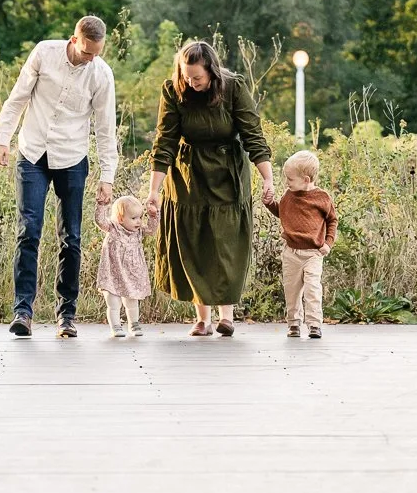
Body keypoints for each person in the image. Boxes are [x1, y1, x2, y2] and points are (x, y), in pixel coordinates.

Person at [0, 14, 117, 340]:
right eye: (88, 51)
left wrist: (107, 176)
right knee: (28, 230)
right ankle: (23, 311)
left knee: (71, 237)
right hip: (33, 152)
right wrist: (3, 139)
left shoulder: (101, 75)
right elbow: (18, 97)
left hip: (72, 158)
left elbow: (106, 129)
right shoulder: (44, 53)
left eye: (97, 53)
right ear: (74, 39)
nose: (92, 58)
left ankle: (67, 315)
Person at [146, 39, 275, 337]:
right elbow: (164, 142)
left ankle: (226, 315)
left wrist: (267, 178)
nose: (191, 83)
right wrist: (154, 190)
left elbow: (253, 136)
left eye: (198, 78)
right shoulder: (174, 90)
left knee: (224, 243)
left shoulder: (233, 88)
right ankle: (202, 318)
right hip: (189, 176)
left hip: (227, 173)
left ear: (212, 72)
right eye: (187, 76)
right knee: (194, 241)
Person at [264, 148, 338, 339]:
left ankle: (314, 324)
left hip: (313, 253)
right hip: (291, 253)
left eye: (290, 179)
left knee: (313, 289)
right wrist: (270, 203)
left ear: (306, 179)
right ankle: (294, 323)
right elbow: (283, 213)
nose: (286, 183)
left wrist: (328, 243)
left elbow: (332, 220)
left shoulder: (322, 198)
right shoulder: (289, 195)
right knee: (292, 290)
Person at [95, 194, 151, 339]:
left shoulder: (138, 231)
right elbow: (100, 221)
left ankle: (134, 323)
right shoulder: (113, 228)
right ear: (120, 218)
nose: (138, 222)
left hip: (132, 273)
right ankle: (115, 326)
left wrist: (153, 215)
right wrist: (102, 205)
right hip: (112, 272)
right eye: (134, 218)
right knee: (113, 302)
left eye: (140, 217)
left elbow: (152, 229)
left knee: (132, 301)